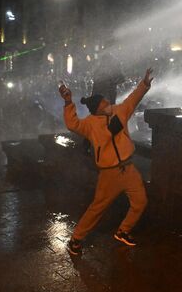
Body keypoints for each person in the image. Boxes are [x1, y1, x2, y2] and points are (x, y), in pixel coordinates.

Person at [59, 68, 153, 257]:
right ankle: (75, 240)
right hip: (109, 173)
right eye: (104, 103)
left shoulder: (120, 111)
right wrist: (68, 102)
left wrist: (144, 85)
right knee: (97, 208)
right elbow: (72, 124)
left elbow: (132, 99)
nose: (109, 103)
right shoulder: (90, 124)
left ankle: (123, 231)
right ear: (98, 109)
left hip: (129, 168)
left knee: (140, 201)